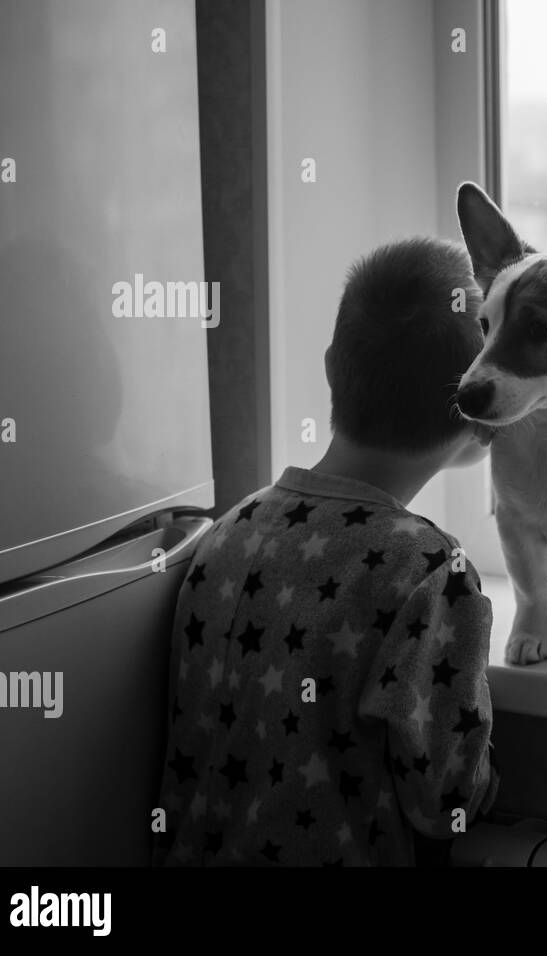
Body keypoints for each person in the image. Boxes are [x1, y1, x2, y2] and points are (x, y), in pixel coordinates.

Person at [153, 238, 497, 866]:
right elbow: (444, 800)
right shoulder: (429, 574)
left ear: (331, 367)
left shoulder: (231, 531)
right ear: (484, 418)